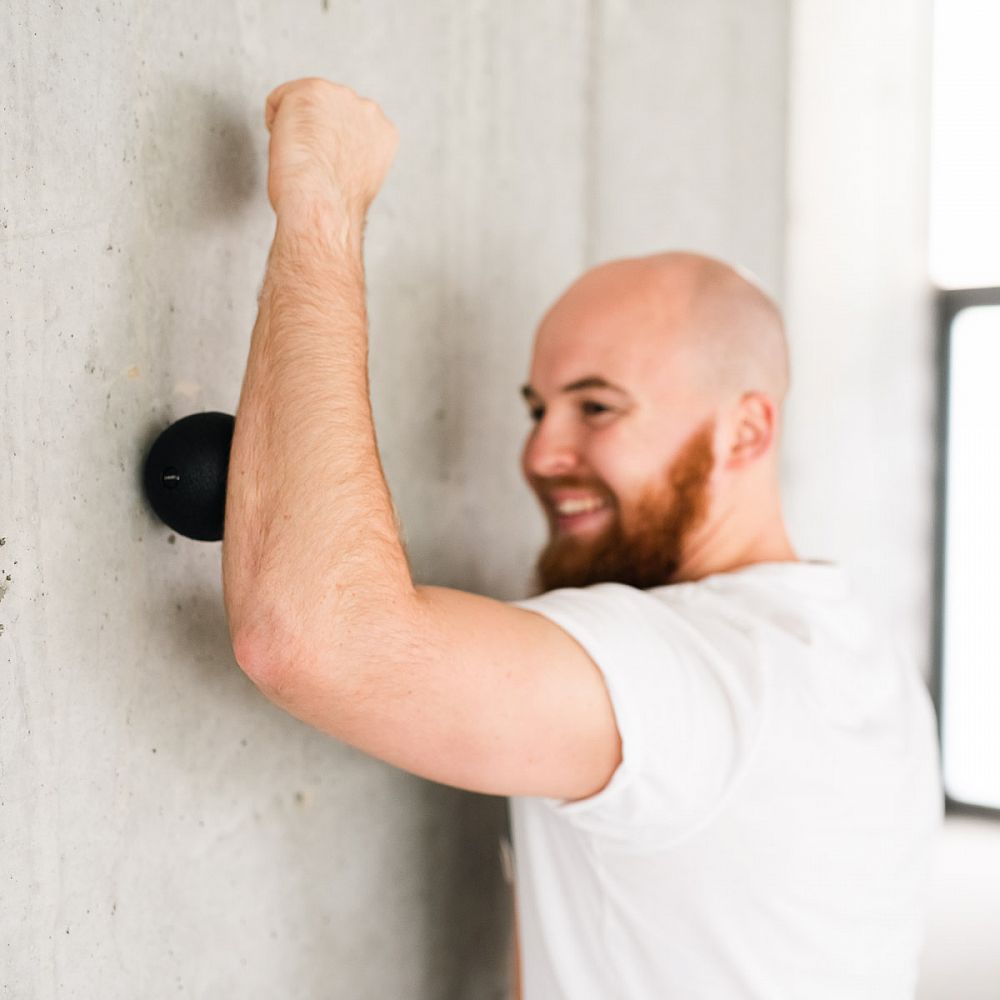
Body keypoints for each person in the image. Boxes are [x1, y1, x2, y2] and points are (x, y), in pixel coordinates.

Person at [222, 78, 943, 999]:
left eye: (597, 407)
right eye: (538, 409)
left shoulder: (695, 673)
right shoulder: (860, 660)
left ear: (745, 432)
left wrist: (323, 204)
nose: (540, 452)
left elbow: (312, 634)